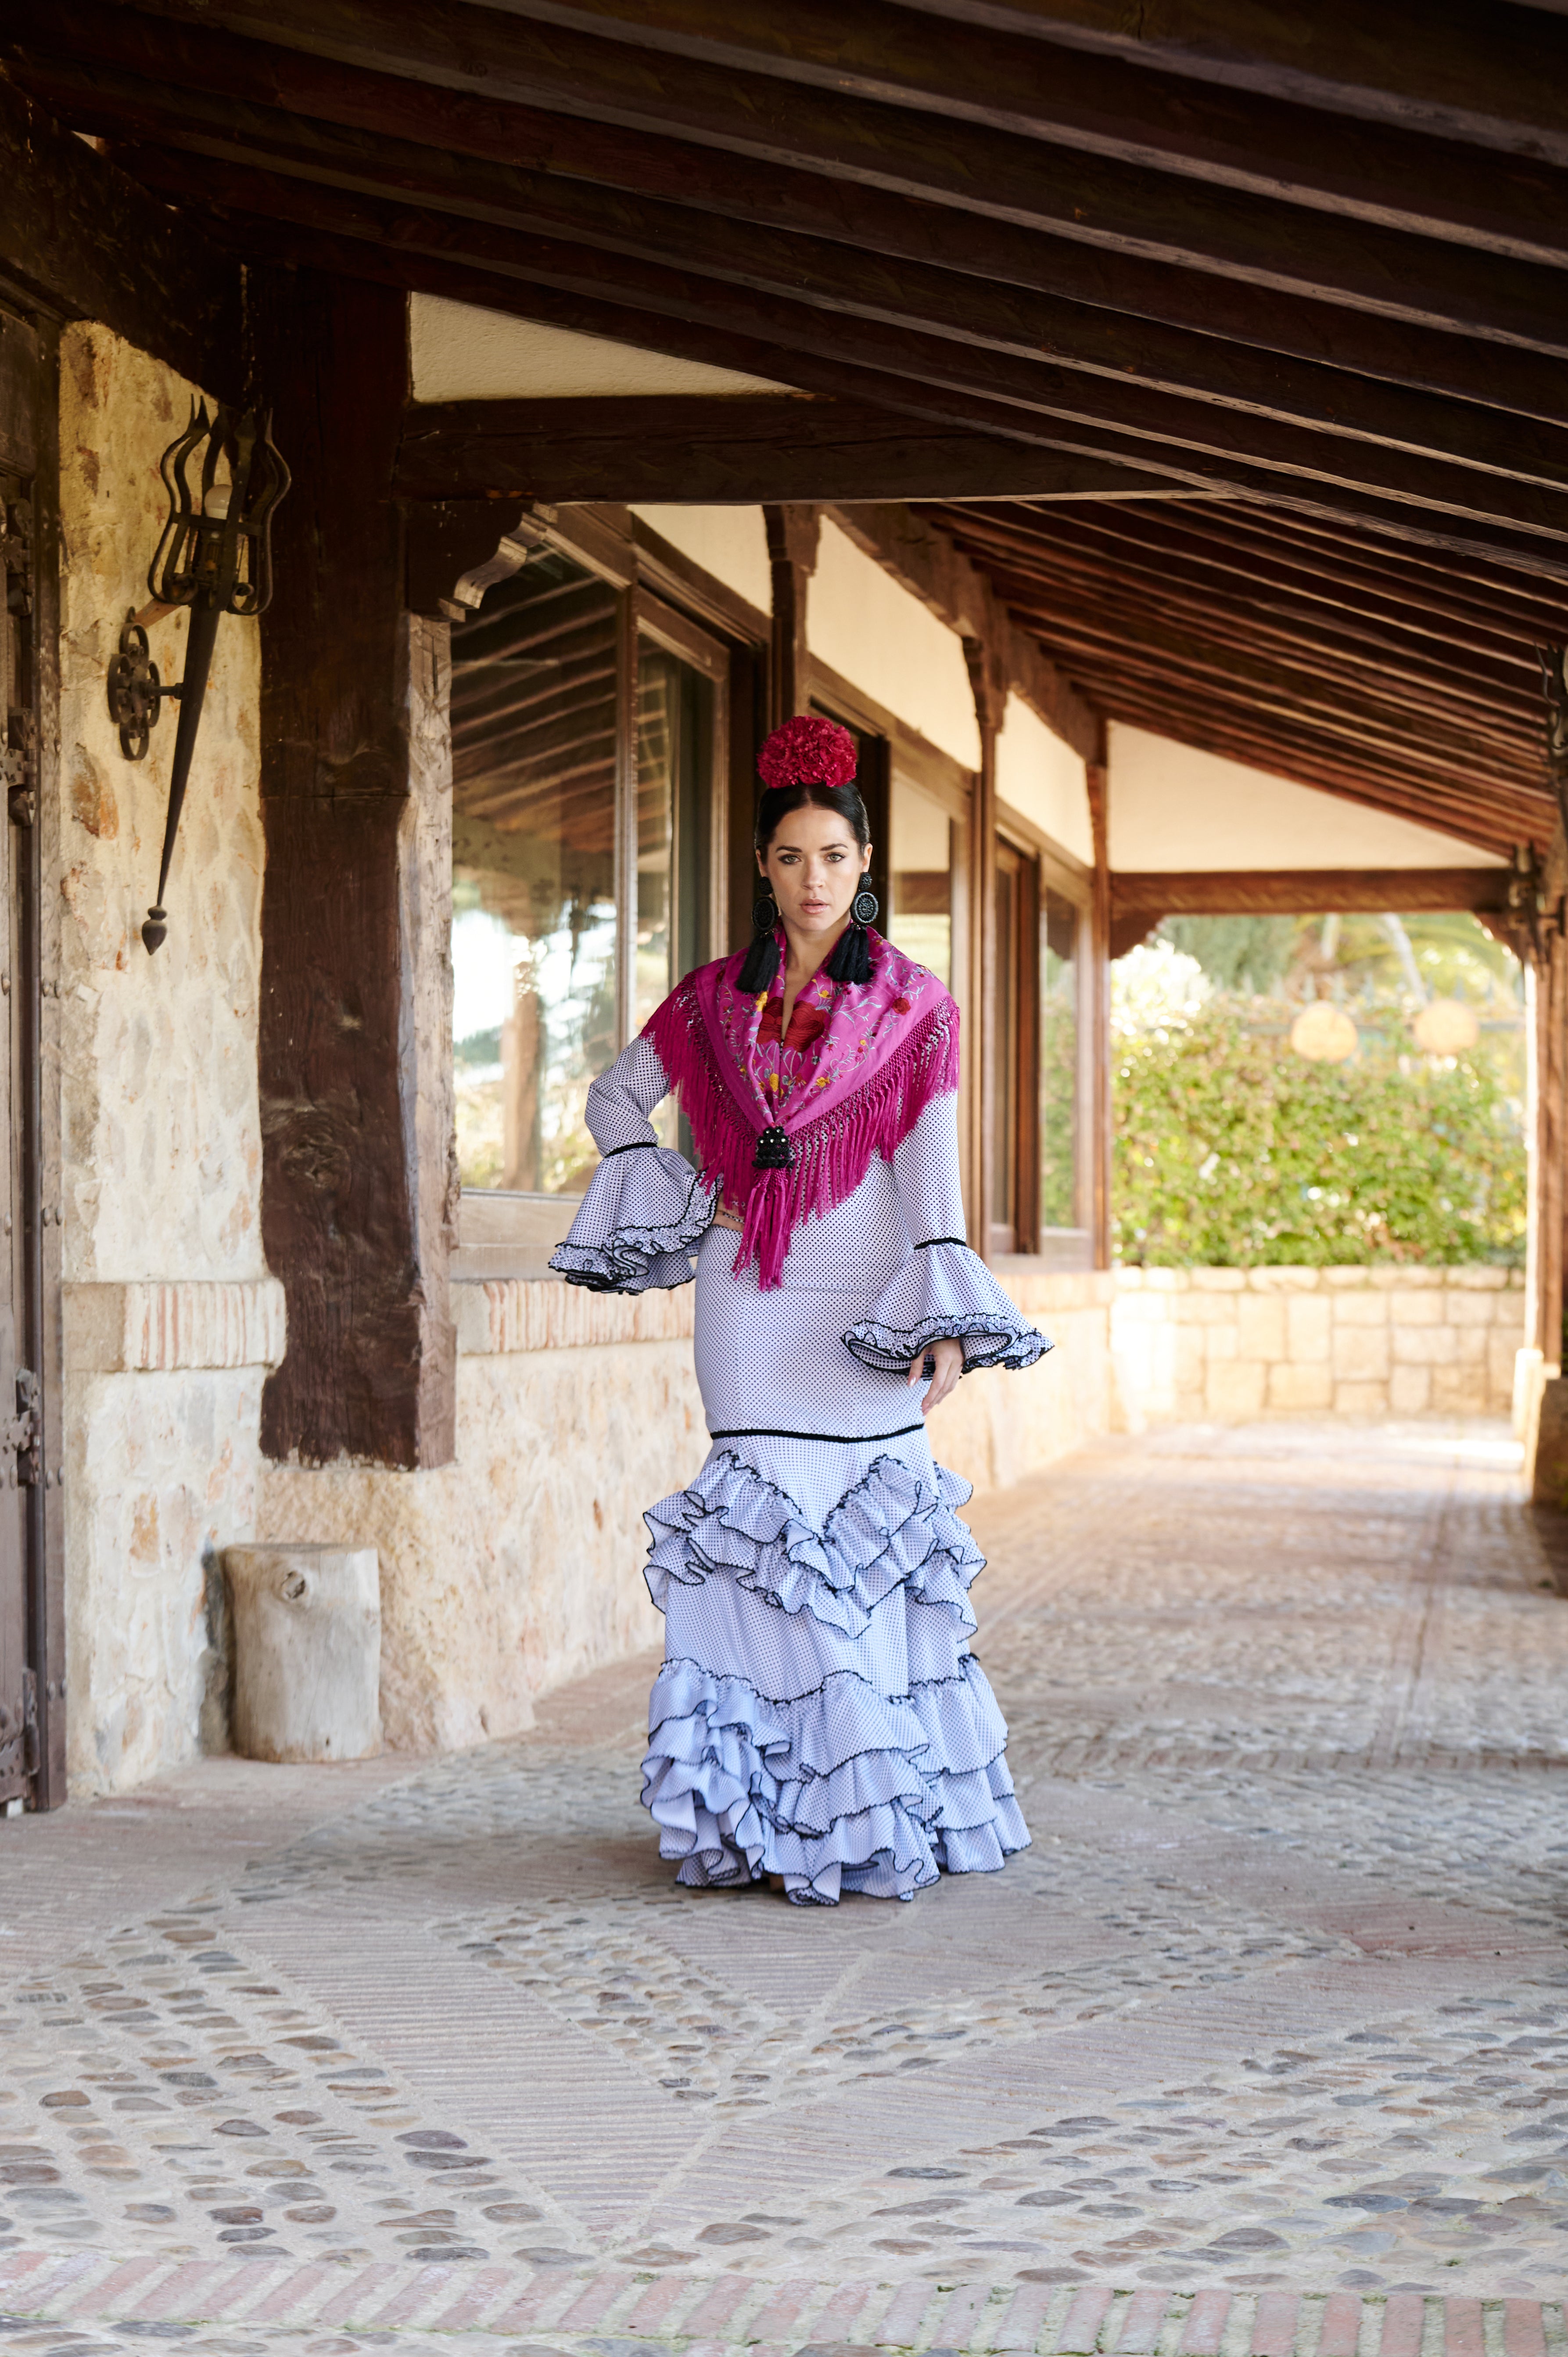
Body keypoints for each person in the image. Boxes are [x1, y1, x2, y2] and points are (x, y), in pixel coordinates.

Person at [552, 715, 1049, 1904]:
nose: (813, 877)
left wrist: (937, 1298)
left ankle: (865, 1804)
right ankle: (765, 1813)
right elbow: (617, 1093)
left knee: (865, 1543)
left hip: (867, 1287)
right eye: (791, 857)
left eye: (834, 854)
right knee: (761, 1535)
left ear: (863, 864)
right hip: (747, 1302)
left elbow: (930, 1153)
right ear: (765, 869)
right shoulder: (713, 997)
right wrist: (672, 1190)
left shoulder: (919, 1005)